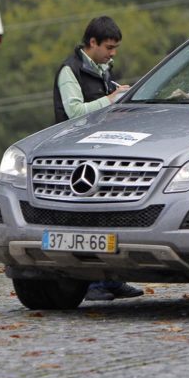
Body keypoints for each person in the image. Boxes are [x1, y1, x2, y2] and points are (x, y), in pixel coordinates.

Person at [53, 16, 143, 302]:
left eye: (115, 47)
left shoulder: (103, 68)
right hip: (76, 158)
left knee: (110, 216)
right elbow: (74, 113)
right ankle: (92, 284)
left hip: (101, 154)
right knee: (85, 221)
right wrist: (112, 99)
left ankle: (113, 280)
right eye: (109, 47)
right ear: (92, 43)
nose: (113, 52)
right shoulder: (70, 72)